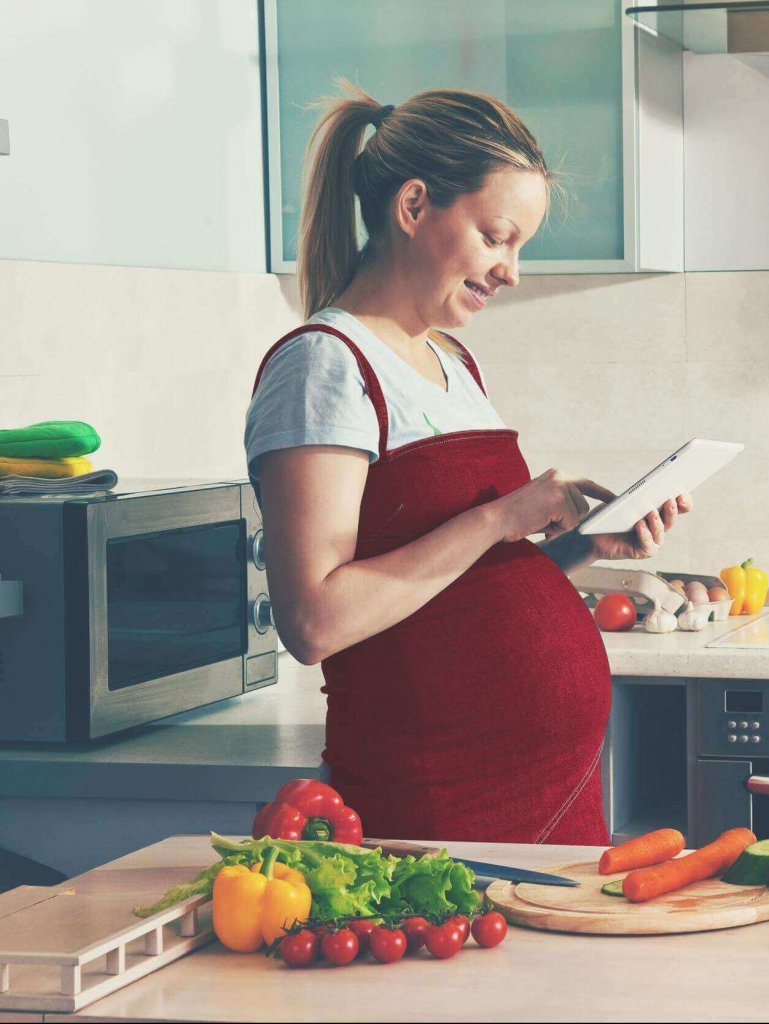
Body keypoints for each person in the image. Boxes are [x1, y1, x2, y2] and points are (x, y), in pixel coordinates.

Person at [244, 83, 691, 845]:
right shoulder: (324, 365)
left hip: (545, 795)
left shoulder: (454, 365)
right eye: (496, 236)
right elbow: (315, 621)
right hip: (439, 801)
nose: (511, 270)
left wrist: (583, 545)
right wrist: (502, 515)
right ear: (414, 207)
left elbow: (459, 588)